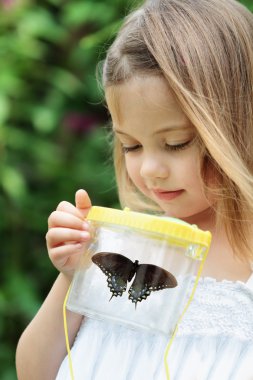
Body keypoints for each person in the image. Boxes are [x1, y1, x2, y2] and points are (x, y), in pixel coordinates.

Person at [16, 0, 253, 379]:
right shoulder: (121, 246)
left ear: (238, 124)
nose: (149, 170)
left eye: (175, 143)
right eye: (131, 146)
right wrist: (72, 277)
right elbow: (35, 371)